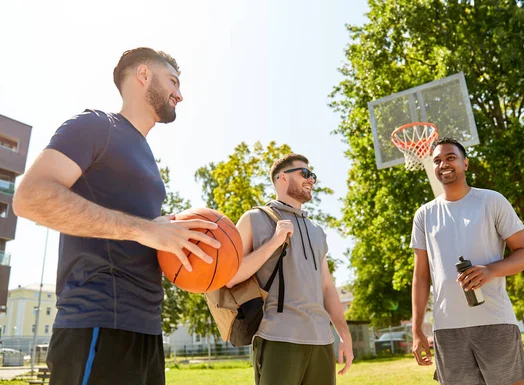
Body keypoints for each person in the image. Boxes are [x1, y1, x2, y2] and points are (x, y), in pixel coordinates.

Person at [13, 47, 220, 385]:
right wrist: (145, 231)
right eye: (173, 81)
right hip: (98, 324)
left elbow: (142, 237)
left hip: (147, 331)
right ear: (143, 75)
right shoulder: (96, 125)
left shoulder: (148, 159)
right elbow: (29, 198)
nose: (180, 94)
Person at [410, 137, 524, 385]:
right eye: (437, 160)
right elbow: (421, 277)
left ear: (465, 163)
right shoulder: (424, 214)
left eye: (450, 157)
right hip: (447, 328)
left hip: (495, 320)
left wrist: (490, 271)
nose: (443, 164)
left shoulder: (492, 201)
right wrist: (416, 329)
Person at [226, 153, 353, 385]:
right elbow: (231, 277)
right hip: (278, 339)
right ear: (282, 178)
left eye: (312, 175)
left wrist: (343, 335)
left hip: (322, 341)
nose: (311, 179)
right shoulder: (254, 218)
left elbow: (327, 286)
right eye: (304, 173)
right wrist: (274, 242)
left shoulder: (317, 230)